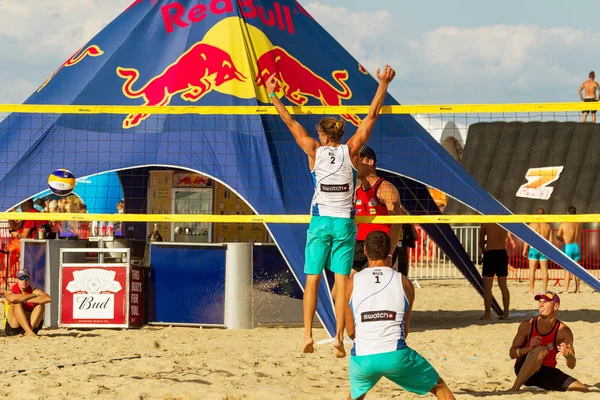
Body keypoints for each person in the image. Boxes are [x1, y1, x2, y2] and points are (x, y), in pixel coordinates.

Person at [265, 65, 396, 357]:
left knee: (312, 278)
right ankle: (338, 338)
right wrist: (383, 84)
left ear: (323, 137)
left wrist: (273, 95)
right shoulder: (351, 151)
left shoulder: (313, 150)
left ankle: (308, 335)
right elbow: (371, 116)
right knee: (341, 281)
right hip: (344, 224)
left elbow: (288, 122)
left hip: (321, 222)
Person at [344, 231, 455, 400]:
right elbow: (405, 329)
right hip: (395, 354)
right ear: (390, 251)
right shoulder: (405, 283)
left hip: (362, 357)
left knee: (356, 395)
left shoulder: (351, 283)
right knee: (439, 387)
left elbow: (351, 332)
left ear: (365, 250)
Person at [509, 291, 589, 392]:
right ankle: (514, 389)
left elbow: (572, 365)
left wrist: (568, 356)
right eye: (540, 301)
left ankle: (539, 387)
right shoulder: (528, 325)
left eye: (546, 302)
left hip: (546, 372)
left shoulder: (563, 331)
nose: (541, 304)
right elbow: (512, 354)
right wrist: (529, 348)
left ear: (556, 306)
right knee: (540, 350)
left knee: (582, 389)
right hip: (523, 369)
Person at [353, 146, 403, 273]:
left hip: (380, 246)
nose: (355, 163)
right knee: (344, 286)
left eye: (359, 160)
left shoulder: (386, 188)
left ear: (371, 162)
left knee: (375, 287)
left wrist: (390, 254)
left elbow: (396, 224)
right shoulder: (356, 191)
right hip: (360, 245)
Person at [479, 223, 514, 320]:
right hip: (502, 253)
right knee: (503, 286)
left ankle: (487, 314)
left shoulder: (486, 222)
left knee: (487, 287)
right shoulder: (503, 222)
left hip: (490, 253)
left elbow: (481, 241)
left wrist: (483, 252)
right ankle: (506, 313)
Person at [3, 268, 52, 336]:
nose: (24, 281)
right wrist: (34, 296)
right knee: (17, 302)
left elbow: (48, 298)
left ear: (29, 280)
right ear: (17, 280)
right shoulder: (10, 291)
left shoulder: (34, 291)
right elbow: (12, 298)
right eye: (21, 278)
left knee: (41, 304)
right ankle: (29, 332)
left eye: (26, 278)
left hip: (32, 326)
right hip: (14, 327)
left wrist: (26, 299)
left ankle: (29, 331)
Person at [522, 208, 552, 294]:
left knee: (532, 270)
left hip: (533, 248)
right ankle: (545, 290)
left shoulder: (531, 224)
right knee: (544, 270)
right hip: (544, 249)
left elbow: (527, 239)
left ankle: (531, 290)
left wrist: (525, 249)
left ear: (536, 214)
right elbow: (550, 241)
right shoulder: (548, 225)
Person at [557, 206, 581, 294]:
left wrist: (563, 239)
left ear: (567, 213)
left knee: (567, 269)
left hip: (568, 246)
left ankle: (566, 289)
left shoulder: (564, 223)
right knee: (577, 269)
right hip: (576, 246)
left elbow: (558, 236)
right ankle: (577, 289)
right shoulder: (578, 223)